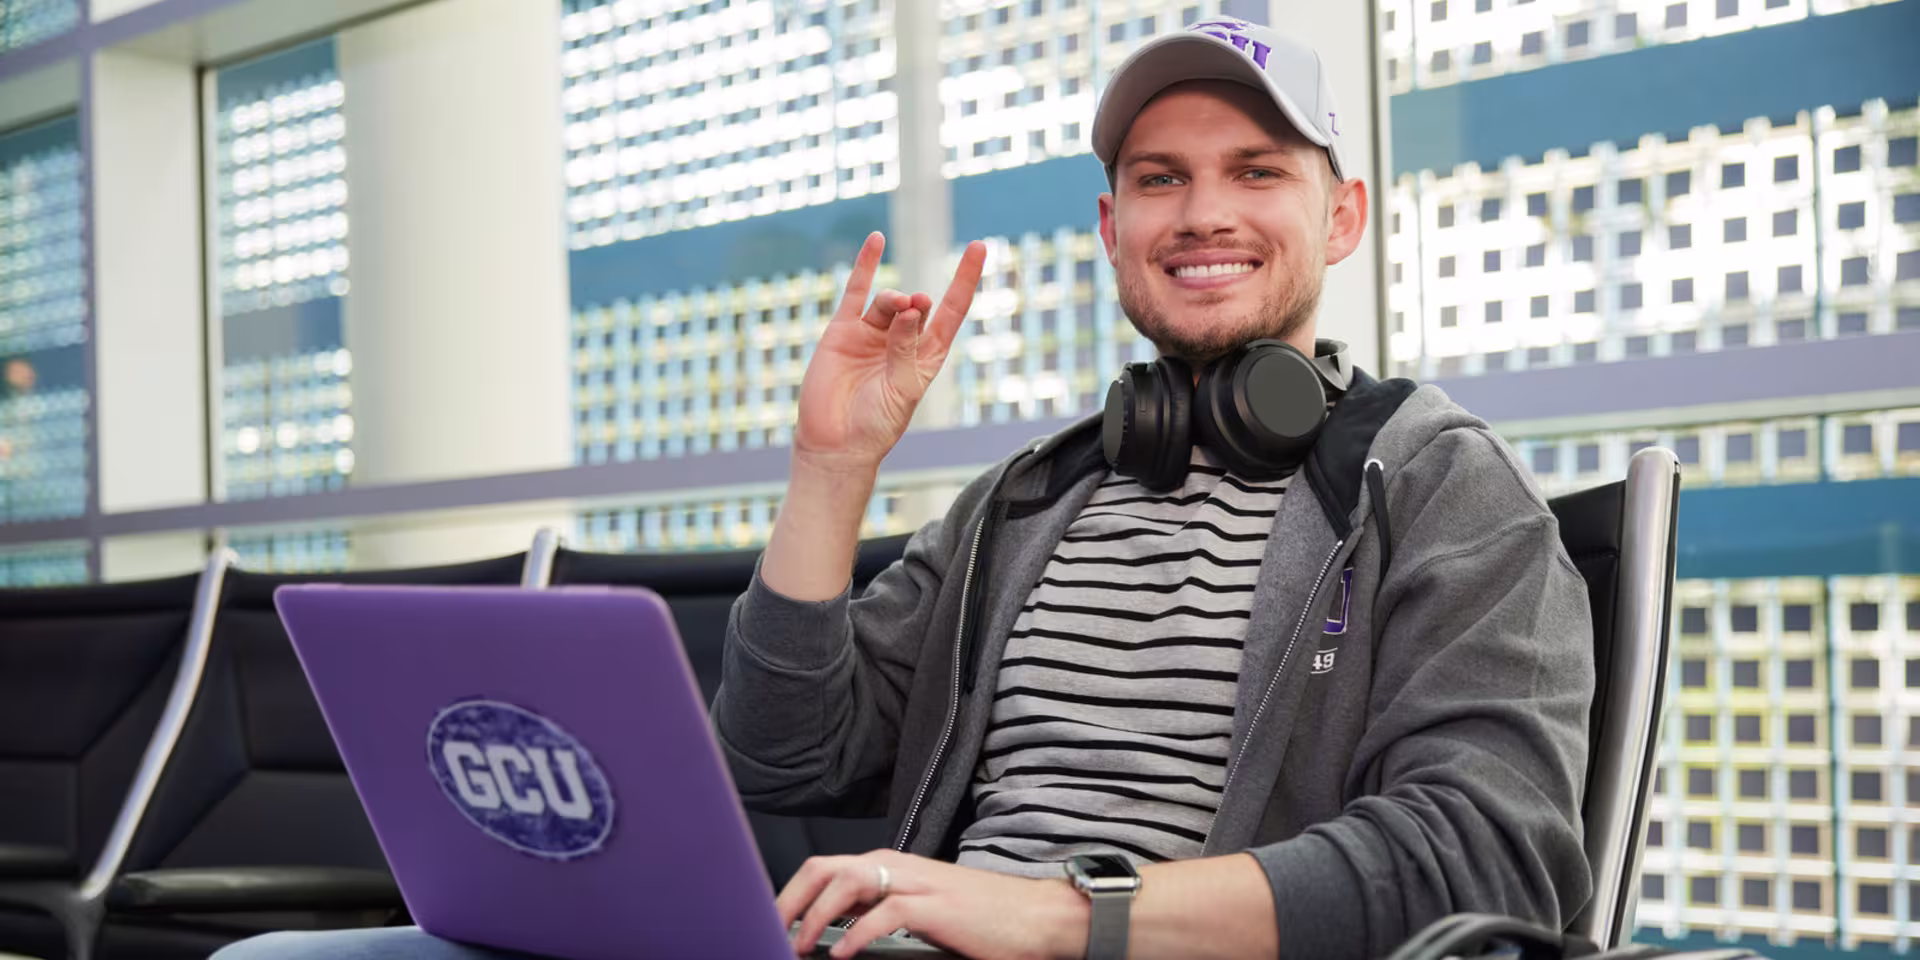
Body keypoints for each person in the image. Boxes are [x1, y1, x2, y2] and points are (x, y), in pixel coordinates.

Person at [214, 16, 1592, 960]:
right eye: (1159, 180)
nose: (1203, 214)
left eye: (1257, 172)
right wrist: (832, 470)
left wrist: (1054, 916)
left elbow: (1488, 862)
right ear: (1113, 230)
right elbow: (781, 754)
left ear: (1341, 214)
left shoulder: (1431, 481)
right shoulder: (1030, 501)